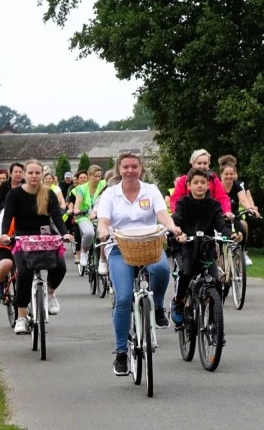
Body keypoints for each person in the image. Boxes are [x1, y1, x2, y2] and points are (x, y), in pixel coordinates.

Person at [96, 150, 181, 376]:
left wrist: (171, 226)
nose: (130, 170)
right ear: (119, 170)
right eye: (126, 167)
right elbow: (103, 220)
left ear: (141, 168)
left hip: (149, 246)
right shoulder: (110, 194)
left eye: (134, 166)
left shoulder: (151, 190)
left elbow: (162, 214)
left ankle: (159, 306)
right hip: (120, 249)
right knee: (123, 298)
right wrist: (103, 230)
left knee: (163, 269)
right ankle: (121, 352)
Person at [0, 159, 73, 334]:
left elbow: (57, 217)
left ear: (42, 174)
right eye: (30, 172)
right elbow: (8, 216)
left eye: (37, 173)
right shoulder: (14, 194)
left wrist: (64, 234)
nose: (34, 176)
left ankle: (51, 293)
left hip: (46, 236)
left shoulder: (48, 193)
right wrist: (5, 235)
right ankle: (21, 317)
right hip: (22, 237)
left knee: (60, 266)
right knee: (24, 273)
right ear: (24, 174)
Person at [169, 167, 241, 327]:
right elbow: (177, 220)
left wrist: (231, 235)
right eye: (196, 183)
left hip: (205, 246)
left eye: (203, 182)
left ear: (209, 185)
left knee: (216, 281)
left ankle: (215, 323)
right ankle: (179, 301)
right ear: (189, 185)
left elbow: (221, 225)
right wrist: (178, 233)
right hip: (185, 245)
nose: (200, 185)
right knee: (185, 273)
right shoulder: (183, 203)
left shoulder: (214, 205)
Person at [218, 155, 260, 266]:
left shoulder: (237, 186)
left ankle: (241, 255)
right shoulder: (217, 186)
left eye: (231, 174)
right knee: (220, 239)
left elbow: (243, 199)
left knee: (241, 230)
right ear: (221, 175)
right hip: (219, 216)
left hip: (234, 216)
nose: (229, 176)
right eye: (226, 174)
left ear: (235, 174)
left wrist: (250, 209)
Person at [169, 149, 233, 218]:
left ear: (208, 164)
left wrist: (227, 211)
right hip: (188, 217)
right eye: (199, 163)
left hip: (209, 216)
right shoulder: (183, 180)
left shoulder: (214, 179)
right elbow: (175, 199)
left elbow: (222, 197)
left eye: (205, 163)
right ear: (193, 164)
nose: (202, 166)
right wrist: (177, 214)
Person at [0, 163, 24, 299]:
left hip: (24, 242)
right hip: (6, 242)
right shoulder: (6, 210)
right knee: (6, 263)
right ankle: (0, 283)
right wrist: (1, 237)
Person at [73, 165, 106, 268]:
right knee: (89, 232)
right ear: (89, 176)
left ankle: (104, 258)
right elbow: (77, 203)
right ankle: (84, 251)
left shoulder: (104, 184)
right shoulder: (81, 188)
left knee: (105, 234)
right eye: (95, 176)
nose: (97, 179)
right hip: (84, 216)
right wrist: (77, 209)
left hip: (101, 216)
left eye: (99, 176)